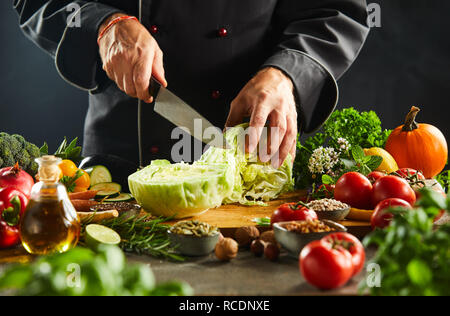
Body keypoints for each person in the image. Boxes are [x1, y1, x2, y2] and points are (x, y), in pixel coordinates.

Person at [14, 0, 369, 167]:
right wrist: (103, 25)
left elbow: (338, 9)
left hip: (250, 160)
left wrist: (287, 73)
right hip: (121, 167)